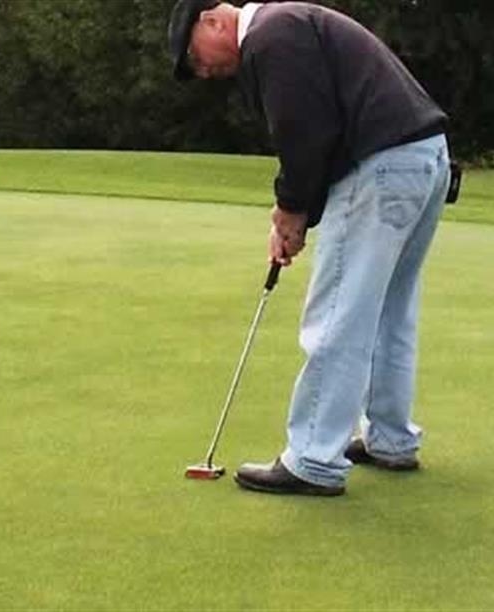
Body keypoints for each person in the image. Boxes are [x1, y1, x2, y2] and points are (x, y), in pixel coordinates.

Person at [168, 0, 455, 496]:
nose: (205, 72)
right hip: (423, 159)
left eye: (196, 59)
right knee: (389, 309)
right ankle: (389, 439)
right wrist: (297, 217)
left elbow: (304, 133)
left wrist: (291, 210)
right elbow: (323, 132)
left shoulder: (271, 36)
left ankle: (314, 460)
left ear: (212, 20)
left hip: (383, 166)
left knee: (338, 313)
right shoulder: (291, 26)